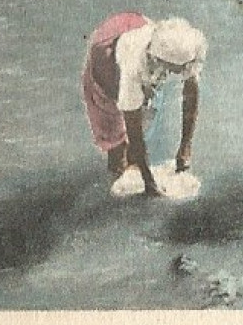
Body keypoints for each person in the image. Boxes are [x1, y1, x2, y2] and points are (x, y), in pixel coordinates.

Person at [80, 12, 206, 198]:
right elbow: (133, 125)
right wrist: (149, 181)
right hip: (105, 55)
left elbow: (191, 92)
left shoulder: (189, 44)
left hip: (135, 24)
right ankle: (127, 166)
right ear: (158, 60)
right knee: (116, 146)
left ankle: (135, 162)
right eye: (174, 70)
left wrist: (185, 147)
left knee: (147, 104)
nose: (179, 74)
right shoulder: (133, 64)